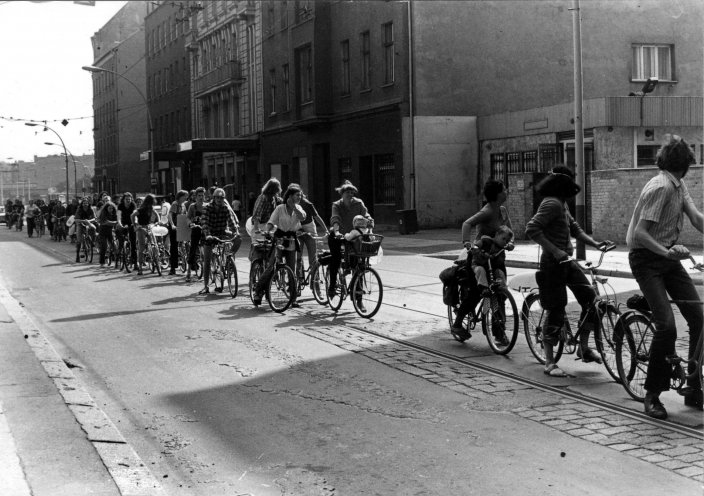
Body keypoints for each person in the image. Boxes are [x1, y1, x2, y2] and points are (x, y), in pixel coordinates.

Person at [626, 135, 704, 419]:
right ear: (686, 165)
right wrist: (666, 253)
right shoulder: (660, 187)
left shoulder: (677, 184)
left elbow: (696, 217)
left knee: (698, 317)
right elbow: (640, 234)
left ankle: (694, 388)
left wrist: (669, 254)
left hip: (667, 257)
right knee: (667, 327)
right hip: (646, 259)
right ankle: (652, 394)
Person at [525, 165, 611, 377]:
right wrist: (555, 251)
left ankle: (583, 347)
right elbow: (531, 229)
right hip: (552, 264)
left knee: (592, 301)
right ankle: (549, 362)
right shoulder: (551, 203)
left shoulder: (561, 204)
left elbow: (574, 228)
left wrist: (595, 243)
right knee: (556, 309)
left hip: (567, 262)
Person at [451, 179, 513, 340]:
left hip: (497, 257)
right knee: (477, 292)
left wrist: (511, 243)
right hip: (480, 256)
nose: (506, 191)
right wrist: (467, 243)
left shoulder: (502, 210)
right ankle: (457, 324)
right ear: (497, 194)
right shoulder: (487, 211)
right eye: (504, 189)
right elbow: (467, 224)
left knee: (500, 293)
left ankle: (499, 332)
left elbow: (510, 232)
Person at [253, 183, 306, 306]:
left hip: (292, 240)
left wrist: (294, 206)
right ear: (291, 195)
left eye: (300, 195)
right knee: (272, 267)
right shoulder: (280, 208)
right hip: (280, 238)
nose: (300, 197)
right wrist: (267, 230)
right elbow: (271, 222)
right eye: (297, 195)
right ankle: (258, 292)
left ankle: (293, 298)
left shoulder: (299, 208)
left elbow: (303, 218)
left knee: (291, 270)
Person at [327, 180, 373, 298]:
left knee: (358, 263)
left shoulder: (358, 203)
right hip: (338, 235)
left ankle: (358, 297)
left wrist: (370, 222)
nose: (350, 194)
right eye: (347, 192)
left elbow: (366, 215)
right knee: (336, 259)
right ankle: (332, 287)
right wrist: (336, 231)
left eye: (352, 192)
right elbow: (335, 218)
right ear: (342, 193)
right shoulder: (337, 205)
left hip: (354, 236)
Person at [200, 188, 240, 295]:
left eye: (221, 198)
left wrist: (235, 231)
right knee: (207, 260)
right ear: (214, 198)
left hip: (222, 231)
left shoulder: (225, 208)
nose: (219, 199)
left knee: (238, 239)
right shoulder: (207, 208)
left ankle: (228, 259)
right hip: (210, 234)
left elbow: (231, 221)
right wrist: (208, 235)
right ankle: (206, 286)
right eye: (217, 197)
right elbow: (204, 223)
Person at [131, 194, 160, 276]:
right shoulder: (141, 209)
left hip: (148, 227)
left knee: (154, 244)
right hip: (141, 228)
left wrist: (158, 221)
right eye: (153, 200)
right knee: (142, 247)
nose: (154, 201)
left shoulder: (151, 208)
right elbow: (132, 215)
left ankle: (156, 260)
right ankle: (140, 268)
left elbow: (157, 214)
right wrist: (135, 225)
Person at [299, 191, 328, 266]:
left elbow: (316, 216)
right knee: (298, 255)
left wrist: (325, 229)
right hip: (297, 228)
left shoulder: (307, 204)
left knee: (312, 256)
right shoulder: (290, 204)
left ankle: (315, 276)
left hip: (309, 228)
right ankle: (298, 275)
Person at [187, 187, 207, 281]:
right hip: (196, 228)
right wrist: (190, 224)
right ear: (196, 196)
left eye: (202, 195)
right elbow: (188, 217)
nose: (201, 197)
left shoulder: (207, 206)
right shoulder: (192, 206)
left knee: (210, 247)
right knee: (193, 248)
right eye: (199, 195)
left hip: (205, 229)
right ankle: (188, 272)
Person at [168, 190, 189, 275]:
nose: (186, 198)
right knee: (174, 247)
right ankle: (173, 268)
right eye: (185, 196)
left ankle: (187, 262)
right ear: (180, 196)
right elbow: (169, 215)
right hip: (174, 227)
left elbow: (186, 215)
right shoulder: (175, 204)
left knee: (187, 242)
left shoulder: (183, 205)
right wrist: (172, 225)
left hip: (181, 225)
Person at [116, 192, 137, 272]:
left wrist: (134, 223)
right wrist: (120, 224)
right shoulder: (120, 206)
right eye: (126, 199)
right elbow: (119, 216)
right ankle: (119, 256)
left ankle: (135, 263)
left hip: (131, 223)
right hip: (123, 223)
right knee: (121, 241)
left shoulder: (133, 205)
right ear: (123, 199)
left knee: (133, 243)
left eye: (129, 199)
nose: (128, 200)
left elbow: (134, 214)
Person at [74, 197, 97, 263]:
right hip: (80, 224)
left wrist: (88, 221)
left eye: (86, 203)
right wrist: (83, 221)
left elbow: (94, 218)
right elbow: (76, 219)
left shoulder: (91, 209)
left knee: (94, 228)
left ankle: (93, 242)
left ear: (88, 203)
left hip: (88, 223)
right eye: (84, 203)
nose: (85, 204)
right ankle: (77, 256)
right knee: (79, 240)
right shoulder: (79, 209)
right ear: (82, 204)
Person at [96, 199, 118, 267]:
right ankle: (102, 262)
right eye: (109, 208)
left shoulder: (114, 214)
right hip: (103, 232)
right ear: (106, 208)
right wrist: (115, 223)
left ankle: (116, 260)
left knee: (114, 246)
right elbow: (107, 222)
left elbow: (117, 221)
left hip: (110, 232)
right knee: (104, 247)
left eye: (112, 208)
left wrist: (115, 223)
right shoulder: (103, 214)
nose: (111, 209)